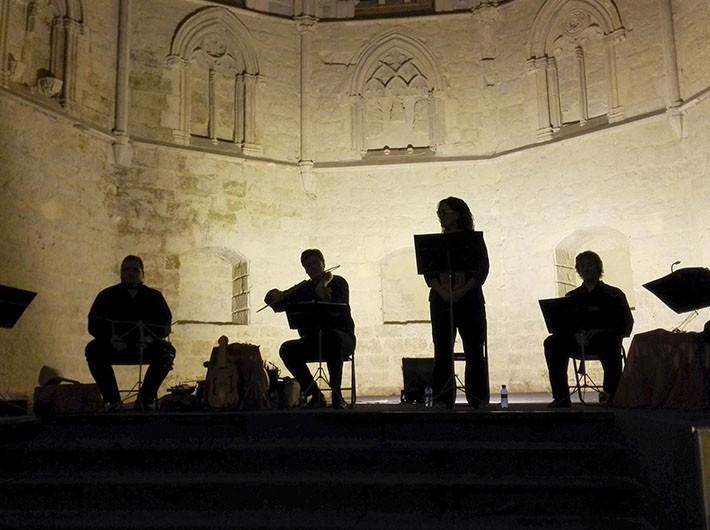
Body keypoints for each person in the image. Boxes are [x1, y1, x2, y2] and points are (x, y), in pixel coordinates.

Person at [264, 249, 355, 409]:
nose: (312, 267)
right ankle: (314, 394)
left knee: (333, 338)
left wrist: (325, 293)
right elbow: (277, 305)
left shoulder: (338, 282)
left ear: (323, 264)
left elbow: (341, 305)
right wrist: (274, 294)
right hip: (313, 341)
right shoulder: (303, 289)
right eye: (308, 265)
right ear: (305, 269)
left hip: (342, 340)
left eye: (315, 263)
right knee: (287, 349)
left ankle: (337, 394)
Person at [544, 250, 633, 408]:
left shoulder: (614, 294)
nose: (586, 268)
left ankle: (611, 396)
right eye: (582, 265)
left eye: (589, 264)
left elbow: (626, 324)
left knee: (611, 343)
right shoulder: (572, 296)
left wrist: (601, 331)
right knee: (552, 343)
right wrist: (574, 334)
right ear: (578, 270)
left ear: (598, 267)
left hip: (604, 340)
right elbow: (562, 325)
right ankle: (561, 397)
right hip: (576, 341)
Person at [85, 255, 175, 411]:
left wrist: (149, 339)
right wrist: (110, 339)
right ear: (121, 273)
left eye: (135, 270)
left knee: (167, 351)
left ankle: (145, 399)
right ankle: (112, 400)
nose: (131, 273)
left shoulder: (154, 297)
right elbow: (94, 324)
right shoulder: (106, 295)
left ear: (142, 274)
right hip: (115, 347)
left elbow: (164, 324)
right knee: (93, 349)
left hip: (145, 347)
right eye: (127, 269)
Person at [425, 197, 490, 408]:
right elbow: (429, 272)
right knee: (442, 349)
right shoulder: (435, 243)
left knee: (474, 348)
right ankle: (443, 398)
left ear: (459, 214)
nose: (442, 216)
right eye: (440, 212)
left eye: (446, 211)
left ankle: (477, 398)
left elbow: (481, 270)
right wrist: (442, 291)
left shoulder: (473, 240)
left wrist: (462, 290)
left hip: (469, 299)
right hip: (441, 300)